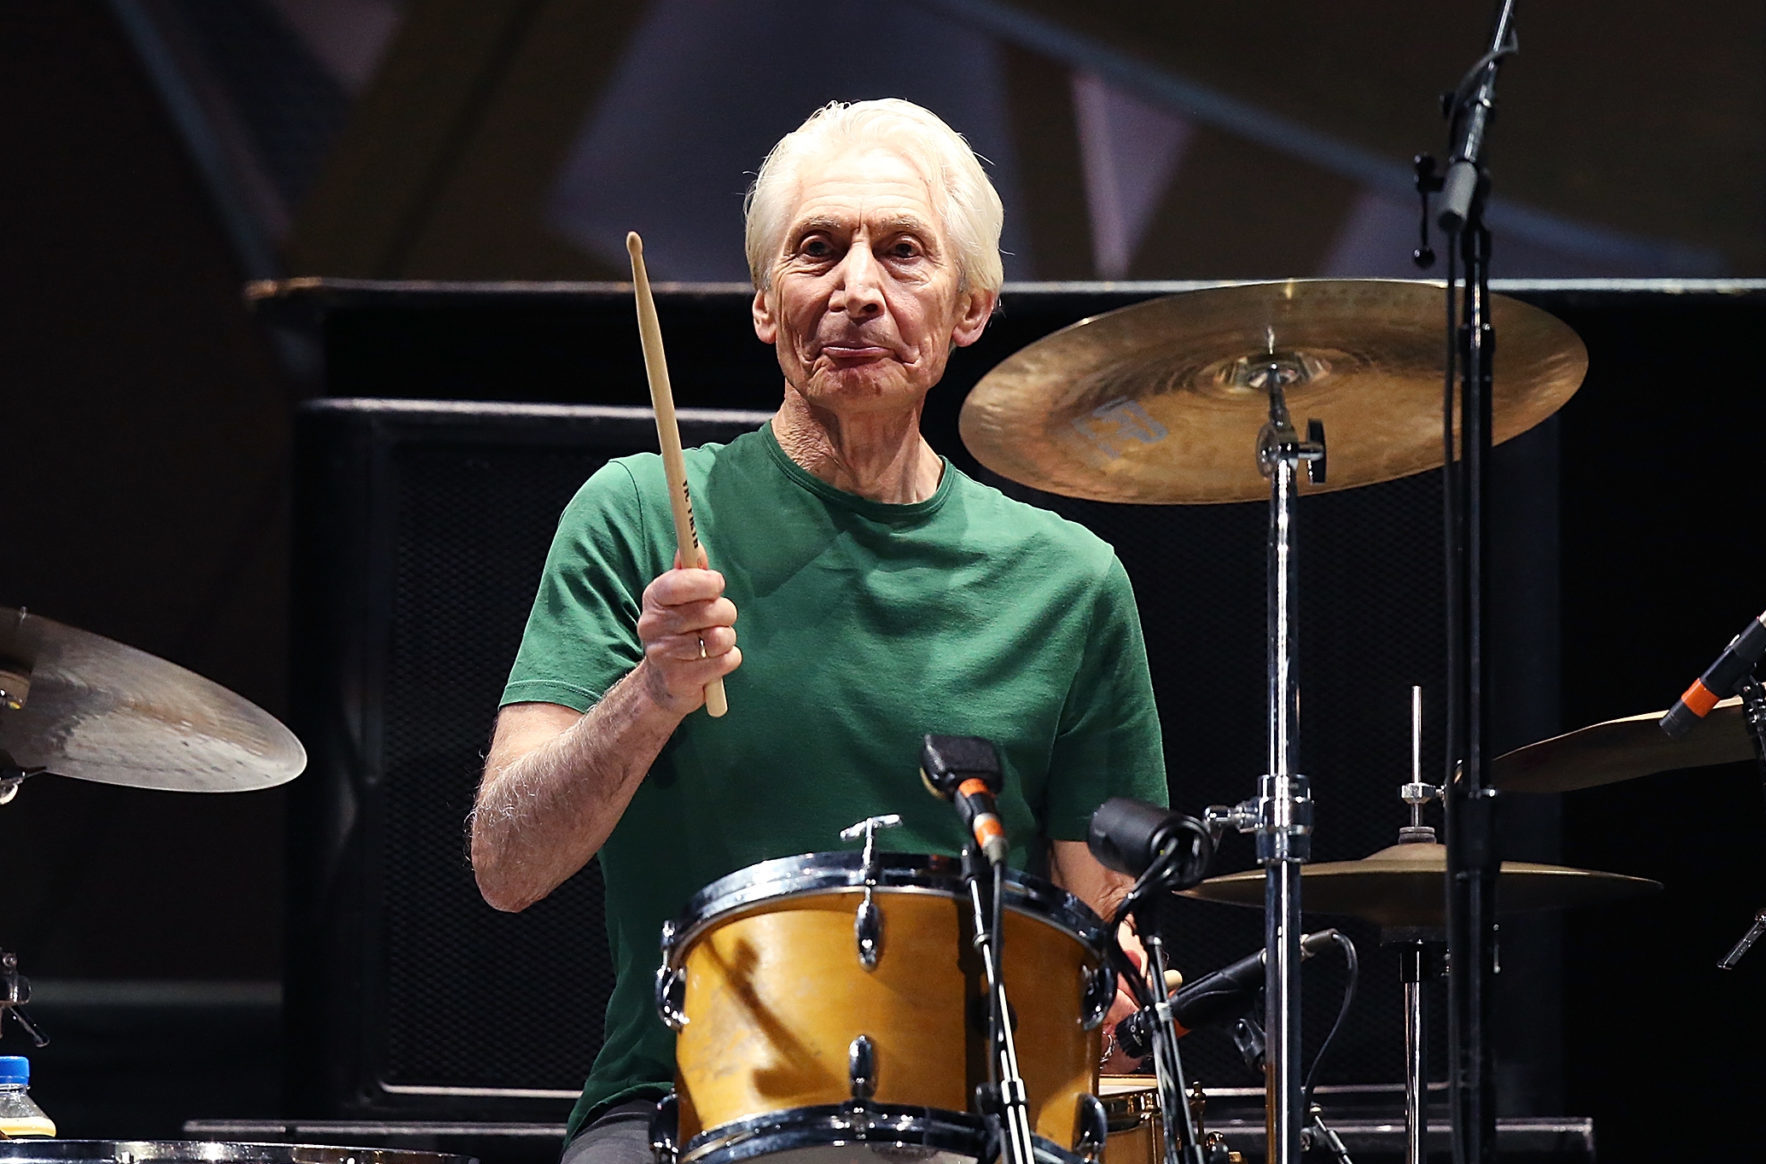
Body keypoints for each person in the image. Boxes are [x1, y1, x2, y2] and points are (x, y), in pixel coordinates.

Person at [470, 98, 1170, 1164]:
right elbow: (505, 863)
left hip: (978, 1119)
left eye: (900, 252)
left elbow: (1105, 934)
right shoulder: (641, 514)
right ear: (764, 305)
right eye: (815, 251)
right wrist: (651, 689)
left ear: (969, 307)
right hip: (678, 1108)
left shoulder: (1067, 581)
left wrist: (1127, 1005)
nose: (854, 289)